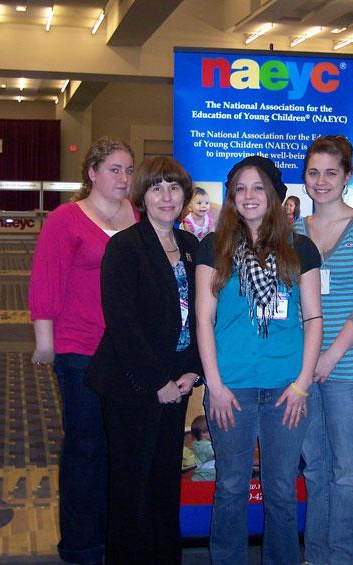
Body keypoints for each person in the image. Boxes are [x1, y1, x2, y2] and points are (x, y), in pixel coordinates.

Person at [195, 155, 323, 564]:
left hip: (286, 389)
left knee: (281, 490)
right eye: (240, 188)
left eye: (257, 187)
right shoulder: (213, 247)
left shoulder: (300, 248)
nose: (248, 196)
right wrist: (214, 386)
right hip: (231, 388)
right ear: (232, 196)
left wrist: (302, 384)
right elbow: (203, 319)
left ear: (273, 194)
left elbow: (313, 319)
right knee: (231, 486)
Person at [85, 156, 202, 564]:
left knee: (165, 480)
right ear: (143, 196)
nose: (166, 197)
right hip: (130, 385)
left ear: (185, 195)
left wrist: (193, 370)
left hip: (177, 382)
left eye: (174, 187)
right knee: (131, 485)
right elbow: (123, 324)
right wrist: (157, 381)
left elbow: (202, 316)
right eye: (156, 188)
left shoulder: (192, 246)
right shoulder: (125, 247)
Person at [29, 137, 137, 564]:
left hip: (126, 353)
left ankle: (114, 538)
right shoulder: (66, 219)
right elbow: (46, 281)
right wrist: (46, 343)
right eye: (114, 169)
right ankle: (81, 545)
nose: (123, 178)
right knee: (85, 448)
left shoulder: (138, 216)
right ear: (92, 173)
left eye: (128, 170)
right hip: (79, 350)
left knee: (119, 448)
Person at [294, 135, 353, 565]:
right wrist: (307, 362)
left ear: (348, 176)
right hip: (304, 370)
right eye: (314, 173)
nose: (321, 181)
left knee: (347, 470)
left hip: (347, 369)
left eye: (331, 173)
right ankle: (317, 555)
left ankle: (346, 557)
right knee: (315, 468)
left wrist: (329, 357)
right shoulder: (294, 231)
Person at [190, 414, 216, 481]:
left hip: (203, 473)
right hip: (208, 474)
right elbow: (215, 453)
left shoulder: (196, 443)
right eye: (211, 431)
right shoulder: (205, 445)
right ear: (203, 433)